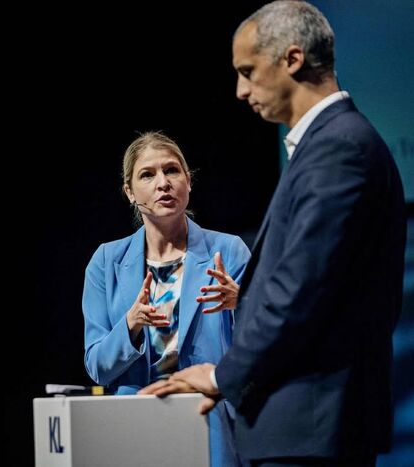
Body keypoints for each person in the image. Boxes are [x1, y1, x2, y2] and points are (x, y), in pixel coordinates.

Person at [140, 2, 406, 466]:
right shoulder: (332, 145)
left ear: (292, 59)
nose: (240, 90)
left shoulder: (338, 149)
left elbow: (300, 291)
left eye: (248, 71)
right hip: (303, 426)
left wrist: (221, 376)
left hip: (310, 427)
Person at [83, 131, 251, 467]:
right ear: (130, 192)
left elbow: (261, 348)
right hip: (136, 427)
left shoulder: (228, 251)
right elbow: (97, 367)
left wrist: (243, 304)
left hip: (211, 421)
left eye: (172, 170)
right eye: (147, 175)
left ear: (188, 181)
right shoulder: (106, 262)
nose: (163, 183)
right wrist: (130, 324)